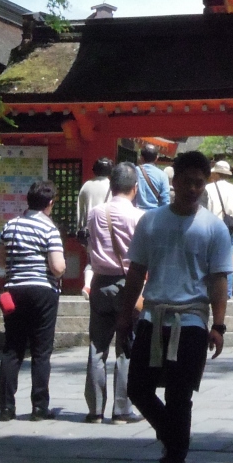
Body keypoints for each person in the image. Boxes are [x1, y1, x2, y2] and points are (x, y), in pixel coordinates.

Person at [117, 150, 232, 463]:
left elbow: (218, 279)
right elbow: (136, 272)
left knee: (179, 394)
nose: (193, 188)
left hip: (192, 318)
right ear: (175, 181)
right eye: (188, 182)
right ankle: (176, 439)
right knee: (138, 388)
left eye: (200, 182)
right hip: (153, 314)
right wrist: (124, 316)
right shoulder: (151, 222)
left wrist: (219, 325)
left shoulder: (213, 227)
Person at [0, 180, 66, 421]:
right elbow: (57, 267)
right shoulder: (49, 229)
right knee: (41, 351)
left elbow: (2, 261)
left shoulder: (11, 225)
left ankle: (6, 407)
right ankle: (39, 407)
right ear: (49, 203)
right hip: (42, 292)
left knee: (12, 348)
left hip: (14, 291)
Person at [83, 162, 145, 423]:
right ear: (135, 188)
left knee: (97, 347)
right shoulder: (139, 217)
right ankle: (122, 409)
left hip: (100, 282)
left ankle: (95, 409)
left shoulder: (95, 213)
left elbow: (89, 244)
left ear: (111, 185)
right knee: (126, 346)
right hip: (128, 283)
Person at [204, 160, 233, 240]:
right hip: (229, 228)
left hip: (212, 229)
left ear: (216, 174)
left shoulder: (208, 188)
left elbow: (204, 210)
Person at [77, 157, 115, 233]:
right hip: (106, 232)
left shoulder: (86, 186)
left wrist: (79, 229)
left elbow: (80, 211)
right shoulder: (112, 187)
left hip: (88, 232)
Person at [135, 143, 171, 211]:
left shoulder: (133, 171)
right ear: (156, 158)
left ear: (141, 157)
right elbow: (165, 201)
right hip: (154, 214)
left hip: (135, 212)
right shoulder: (163, 175)